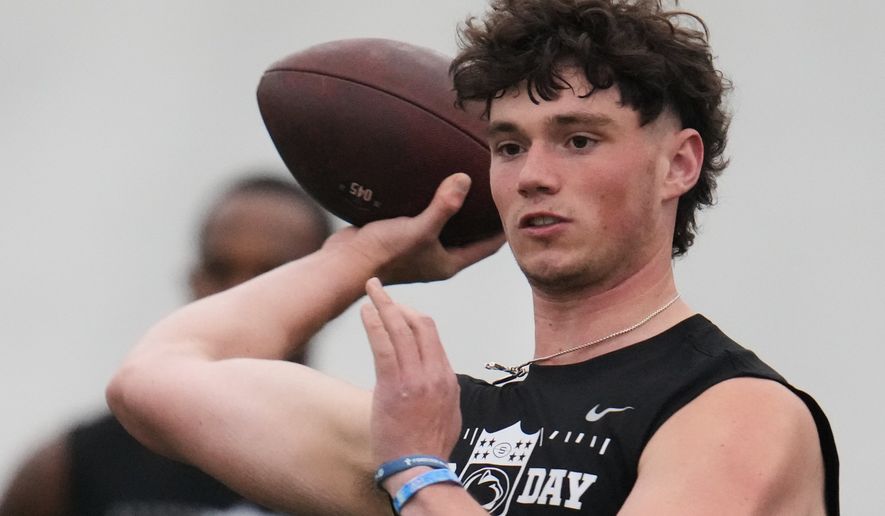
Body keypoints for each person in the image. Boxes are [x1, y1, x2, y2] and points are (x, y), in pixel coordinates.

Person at [105, 1, 839, 515]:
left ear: (677, 164)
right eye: (509, 146)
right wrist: (361, 254)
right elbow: (155, 381)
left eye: (577, 140)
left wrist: (418, 476)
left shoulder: (734, 411)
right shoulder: (451, 422)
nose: (532, 176)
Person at [0, 175, 332, 516]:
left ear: (332, 296)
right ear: (195, 282)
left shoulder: (365, 467)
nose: (238, 294)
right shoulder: (71, 468)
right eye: (220, 270)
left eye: (272, 274)